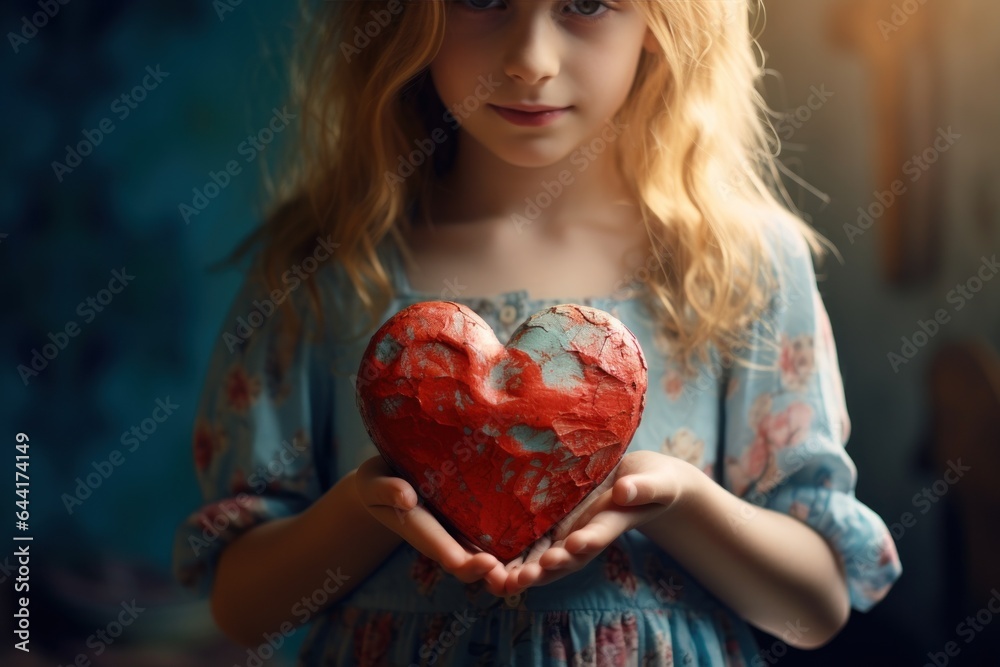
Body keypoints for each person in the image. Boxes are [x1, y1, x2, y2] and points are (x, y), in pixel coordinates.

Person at [173, 0, 903, 664]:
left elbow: (815, 608)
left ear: (665, 22)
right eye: (480, 1)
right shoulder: (321, 267)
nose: (530, 58)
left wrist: (680, 501)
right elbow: (244, 608)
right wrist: (369, 510)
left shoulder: (742, 267)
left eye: (586, 4)